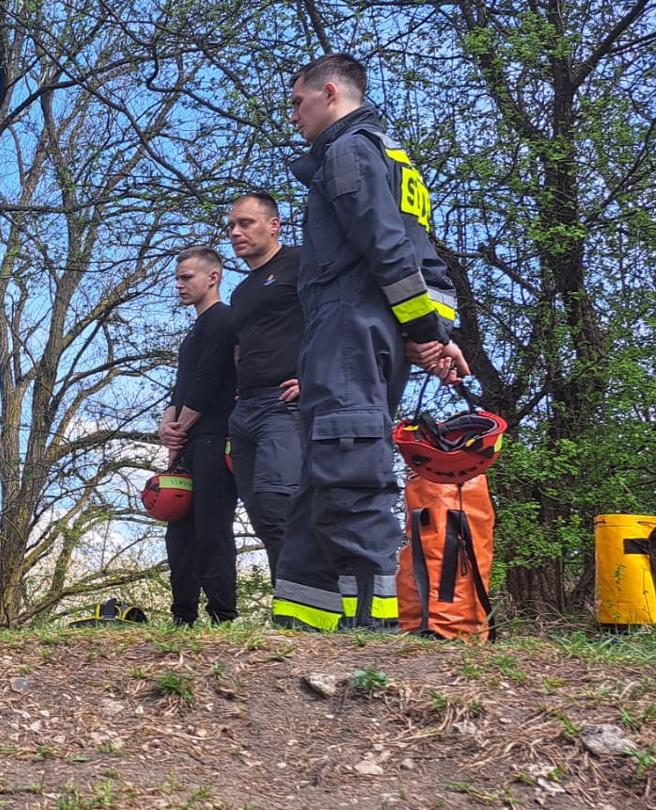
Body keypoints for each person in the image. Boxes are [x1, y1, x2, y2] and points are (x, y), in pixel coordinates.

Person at [278, 54, 469, 632]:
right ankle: (305, 622)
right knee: (326, 466)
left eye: (297, 102)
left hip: (348, 326)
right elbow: (423, 256)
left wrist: (424, 333)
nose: (293, 116)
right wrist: (432, 333)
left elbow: (386, 246)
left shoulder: (349, 151)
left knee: (348, 461)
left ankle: (372, 626)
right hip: (365, 330)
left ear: (329, 93)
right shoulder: (396, 160)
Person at [223, 193, 304, 578]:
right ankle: (286, 601)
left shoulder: (302, 263)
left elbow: (335, 319)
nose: (235, 232)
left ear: (274, 226)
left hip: (285, 405)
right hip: (245, 412)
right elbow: (240, 347)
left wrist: (316, 377)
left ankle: (308, 602)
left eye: (245, 223)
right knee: (259, 514)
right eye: (231, 226)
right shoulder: (240, 292)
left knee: (279, 505)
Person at [158, 248, 239, 626]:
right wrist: (167, 425)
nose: (179, 285)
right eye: (177, 278)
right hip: (188, 444)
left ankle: (222, 615)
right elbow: (181, 386)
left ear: (213, 277)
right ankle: (182, 617)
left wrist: (180, 428)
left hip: (215, 440)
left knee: (212, 528)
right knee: (179, 533)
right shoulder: (194, 332)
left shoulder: (224, 320)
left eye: (186, 277)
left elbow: (208, 382)